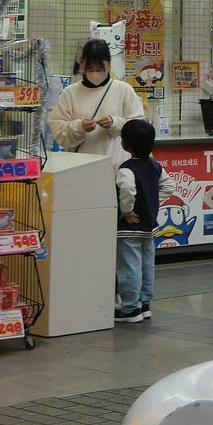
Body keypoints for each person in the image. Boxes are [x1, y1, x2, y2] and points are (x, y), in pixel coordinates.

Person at [114, 118, 177, 323]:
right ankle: (144, 304)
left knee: (129, 266)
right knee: (147, 265)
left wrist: (127, 211)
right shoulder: (155, 165)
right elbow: (169, 186)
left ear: (124, 144)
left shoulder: (126, 169)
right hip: (149, 226)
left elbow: (127, 189)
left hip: (129, 228)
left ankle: (131, 308)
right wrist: (151, 201)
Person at [49, 38, 146, 165]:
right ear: (82, 65)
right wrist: (80, 126)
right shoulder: (69, 93)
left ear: (109, 65)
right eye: (90, 69)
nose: (95, 73)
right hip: (79, 166)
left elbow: (139, 127)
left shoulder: (124, 90)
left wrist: (115, 123)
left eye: (99, 69)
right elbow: (58, 131)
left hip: (117, 166)